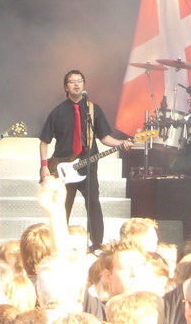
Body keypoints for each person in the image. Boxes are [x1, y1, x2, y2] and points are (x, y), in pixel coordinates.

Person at [39, 69, 134, 249]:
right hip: (64, 168)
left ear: (84, 84)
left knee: (94, 206)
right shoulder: (57, 112)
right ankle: (58, 245)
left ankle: (97, 245)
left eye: (79, 81)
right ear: (66, 87)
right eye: (72, 81)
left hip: (88, 165)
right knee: (62, 208)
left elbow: (105, 138)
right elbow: (44, 141)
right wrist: (44, 166)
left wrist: (122, 143)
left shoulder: (93, 109)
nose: (76, 84)